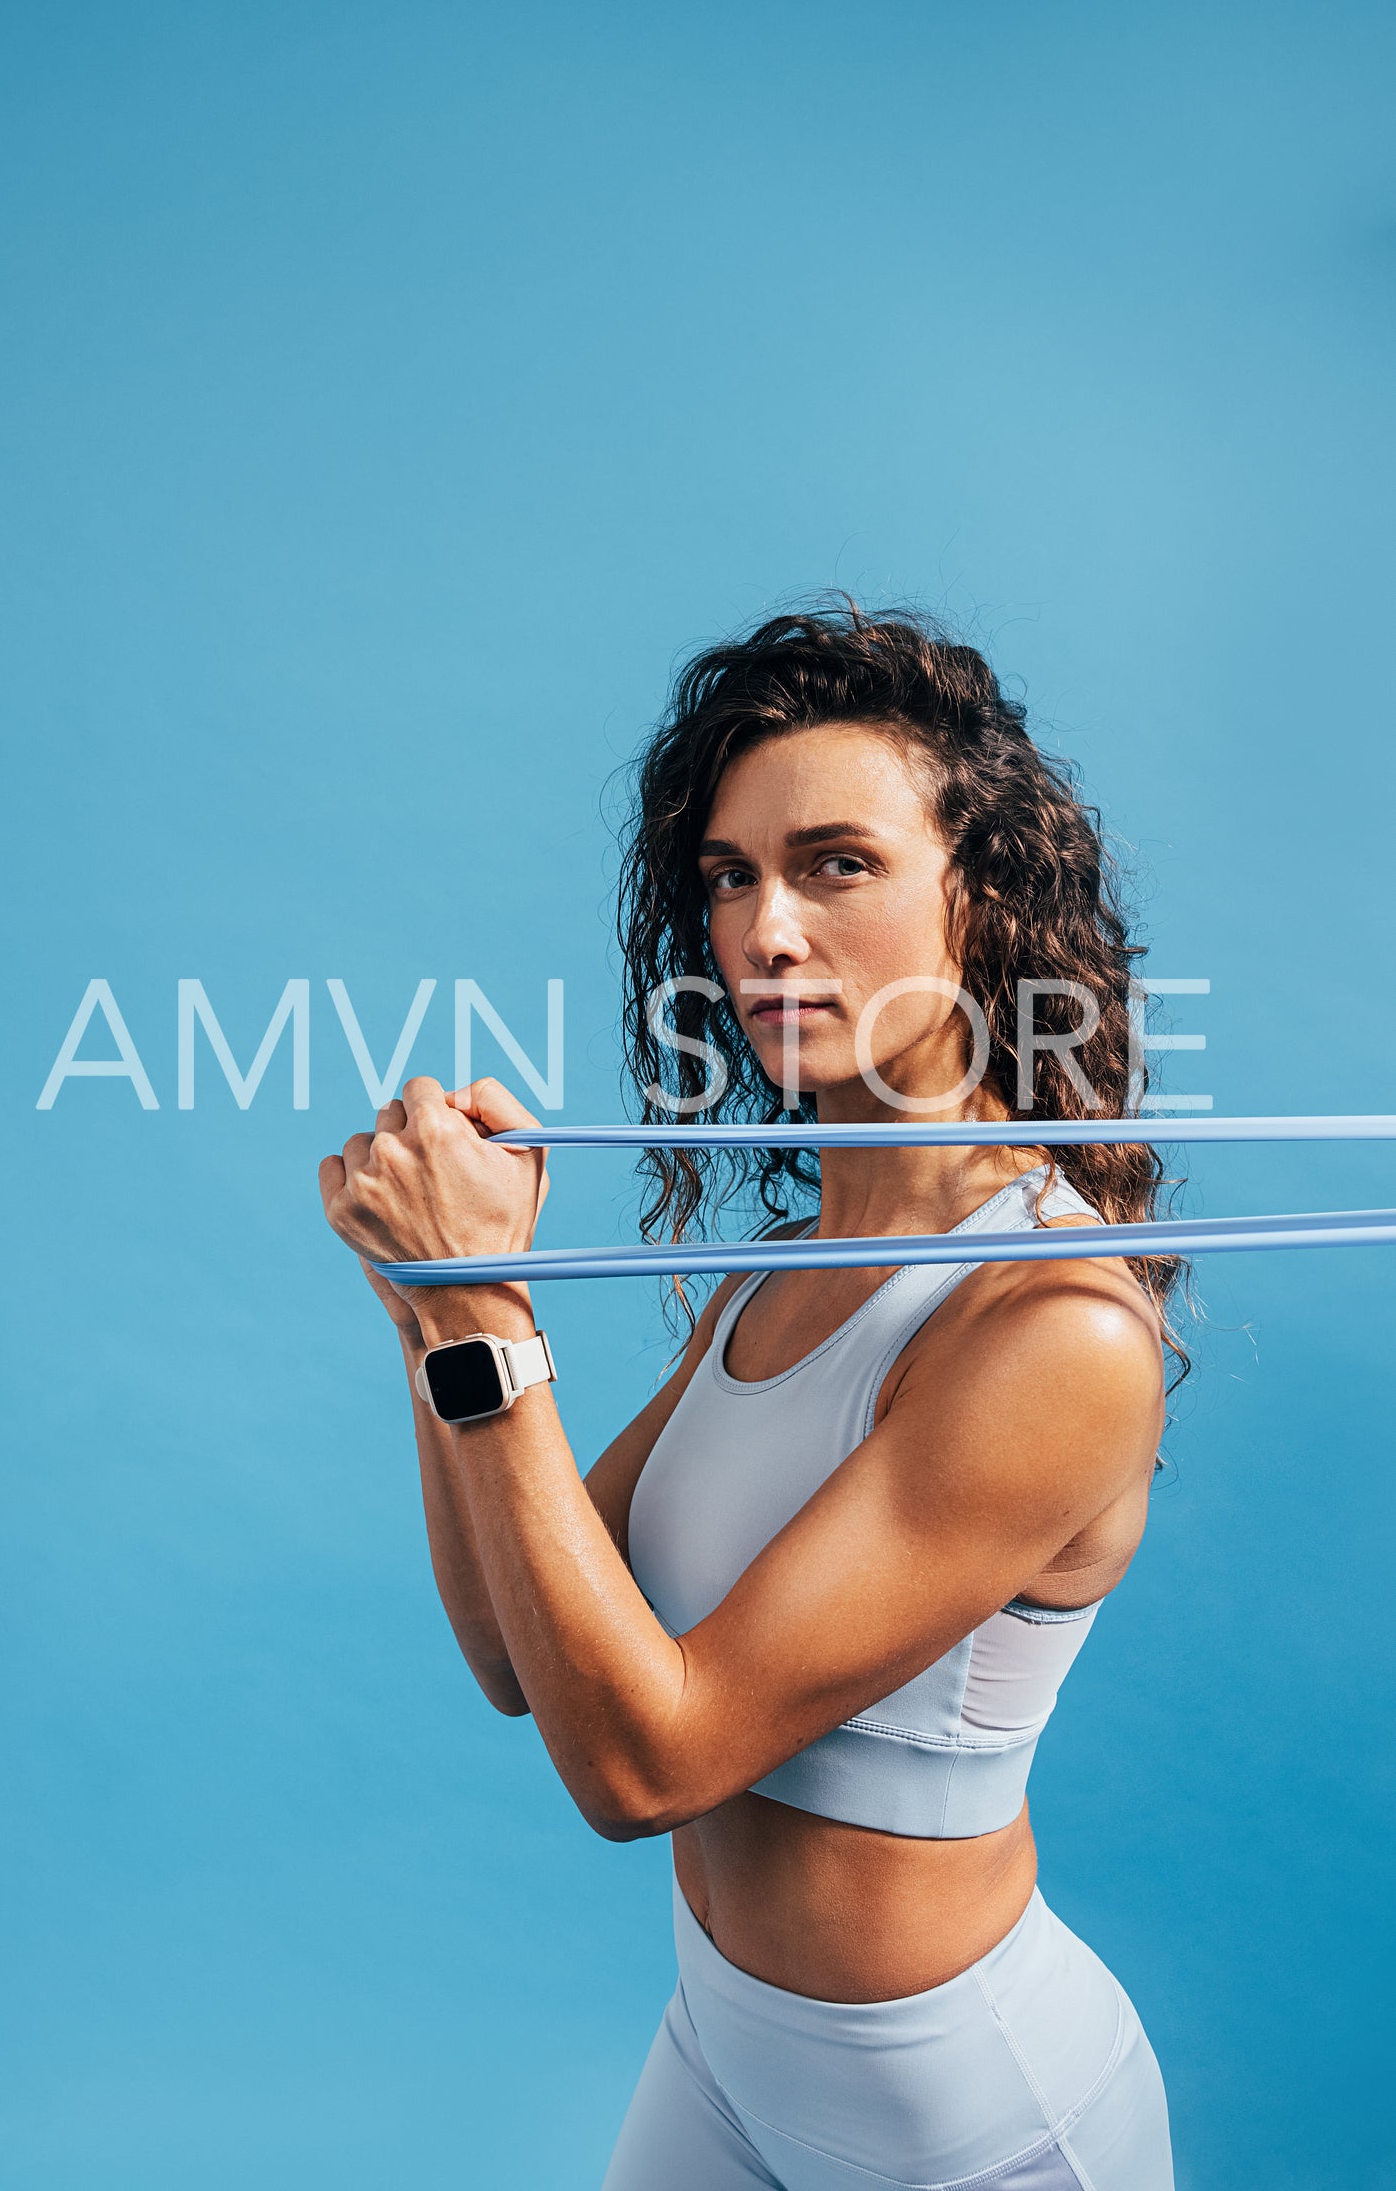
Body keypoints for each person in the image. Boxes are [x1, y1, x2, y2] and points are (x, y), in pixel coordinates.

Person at [320, 605, 1178, 2188]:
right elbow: (520, 1653)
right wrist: (428, 1305)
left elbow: (644, 1768)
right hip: (720, 2053)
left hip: (964, 2120)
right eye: (730, 877)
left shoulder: (1051, 1325)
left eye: (837, 864)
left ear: (977, 895)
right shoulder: (777, 1272)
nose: (767, 931)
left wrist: (489, 1318)